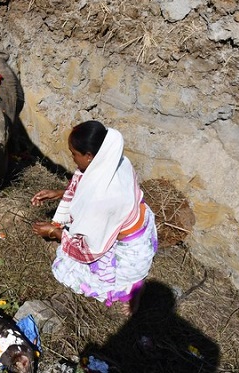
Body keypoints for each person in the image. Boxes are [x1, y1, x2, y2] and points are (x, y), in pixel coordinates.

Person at [31, 121, 158, 314]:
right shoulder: (117, 160)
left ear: (89, 156)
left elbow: (88, 249)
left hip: (131, 251)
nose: (72, 158)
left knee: (69, 269)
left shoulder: (101, 199)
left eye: (74, 153)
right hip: (142, 222)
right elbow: (88, 183)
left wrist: (55, 232)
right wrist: (59, 193)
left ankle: (132, 289)